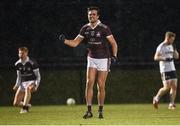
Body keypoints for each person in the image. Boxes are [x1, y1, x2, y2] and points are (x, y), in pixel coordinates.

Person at [59, 6, 118, 119]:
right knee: (89, 82)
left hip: (104, 59)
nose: (91, 16)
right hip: (91, 58)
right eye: (90, 14)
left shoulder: (104, 28)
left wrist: (114, 56)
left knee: (100, 85)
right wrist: (65, 40)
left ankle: (100, 110)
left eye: (94, 14)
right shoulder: (85, 28)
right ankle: (89, 111)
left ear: (98, 16)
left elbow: (114, 44)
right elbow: (75, 43)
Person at [153, 31, 179, 110]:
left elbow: (176, 57)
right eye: (171, 39)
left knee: (174, 86)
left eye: (173, 40)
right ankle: (156, 98)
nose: (172, 41)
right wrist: (164, 58)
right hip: (164, 69)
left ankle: (171, 104)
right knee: (166, 87)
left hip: (172, 68)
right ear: (167, 38)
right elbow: (156, 57)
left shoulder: (172, 45)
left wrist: (175, 51)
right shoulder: (161, 46)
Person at [13, 47, 41, 113]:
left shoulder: (32, 62)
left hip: (32, 81)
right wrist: (17, 85)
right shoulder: (17, 64)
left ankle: (24, 108)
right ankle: (27, 105)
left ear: (26, 53)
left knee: (28, 89)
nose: (21, 55)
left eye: (22, 53)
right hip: (23, 83)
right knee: (15, 104)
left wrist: (36, 86)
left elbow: (38, 76)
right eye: (19, 53)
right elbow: (19, 76)